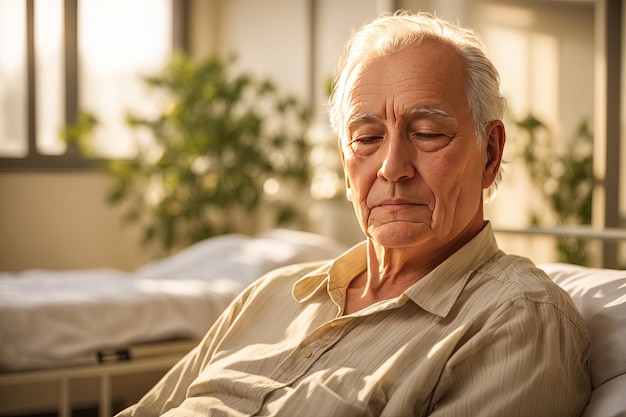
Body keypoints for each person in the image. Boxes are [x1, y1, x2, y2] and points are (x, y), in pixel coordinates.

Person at [116, 11, 591, 417]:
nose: (391, 167)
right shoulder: (270, 295)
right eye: (366, 138)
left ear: (489, 154)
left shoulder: (517, 319)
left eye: (426, 133)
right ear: (346, 167)